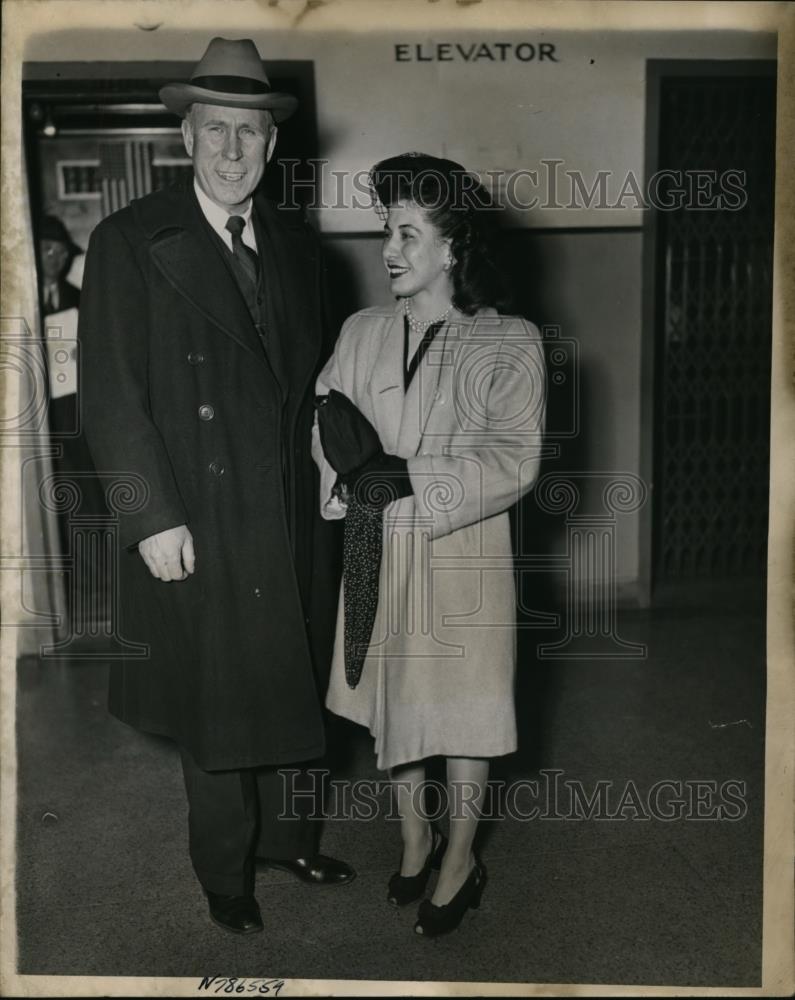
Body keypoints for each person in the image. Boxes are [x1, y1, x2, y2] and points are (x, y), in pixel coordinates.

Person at [78, 36, 353, 936]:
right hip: (195, 511)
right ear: (186, 137)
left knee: (294, 677)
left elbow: (320, 385)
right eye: (216, 132)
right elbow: (108, 396)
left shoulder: (300, 249)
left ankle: (290, 839)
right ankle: (225, 869)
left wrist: (345, 474)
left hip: (289, 512)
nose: (233, 151)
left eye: (250, 134)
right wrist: (147, 516)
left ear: (271, 147)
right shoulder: (128, 239)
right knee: (219, 694)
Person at [313, 153, 546, 937]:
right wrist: (346, 473)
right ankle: (415, 838)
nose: (389, 249)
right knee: (393, 702)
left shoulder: (508, 340)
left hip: (460, 556)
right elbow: (326, 419)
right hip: (376, 548)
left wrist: (405, 476)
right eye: (386, 230)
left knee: (464, 712)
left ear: (451, 249)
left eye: (408, 233)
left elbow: (515, 459)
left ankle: (459, 861)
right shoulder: (361, 330)